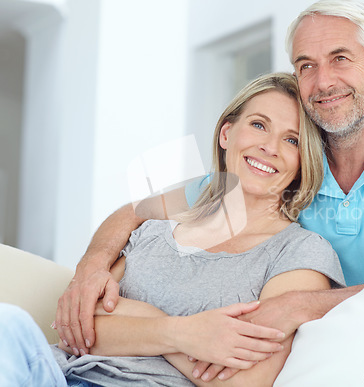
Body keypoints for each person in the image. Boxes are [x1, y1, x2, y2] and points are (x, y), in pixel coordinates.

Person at [56, 0, 364, 381]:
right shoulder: (285, 161)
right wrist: (91, 269)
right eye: (306, 65)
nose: (323, 80)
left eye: (340, 58)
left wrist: (301, 305)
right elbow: (138, 211)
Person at [3, 72, 344, 386]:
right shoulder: (157, 228)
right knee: (8, 326)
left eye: (292, 141)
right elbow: (77, 328)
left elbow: (247, 381)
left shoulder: (300, 251)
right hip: (54, 373)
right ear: (227, 133)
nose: (270, 147)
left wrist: (134, 319)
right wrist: (184, 333)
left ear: (304, 161)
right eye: (258, 125)